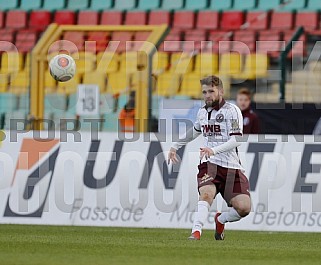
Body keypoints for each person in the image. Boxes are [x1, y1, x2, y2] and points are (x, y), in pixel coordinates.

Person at [168, 76, 251, 240]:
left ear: (220, 91)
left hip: (231, 167)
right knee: (206, 194)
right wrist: (175, 146)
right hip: (210, 164)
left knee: (244, 208)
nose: (207, 95)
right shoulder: (202, 112)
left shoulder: (232, 110)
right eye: (204, 92)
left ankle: (220, 220)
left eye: (211, 91)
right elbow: (195, 130)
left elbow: (237, 140)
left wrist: (213, 149)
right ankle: (196, 231)